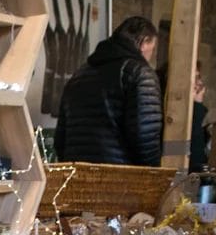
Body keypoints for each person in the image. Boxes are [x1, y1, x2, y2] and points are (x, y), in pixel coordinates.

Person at [53, 16, 163, 166]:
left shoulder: (79, 74)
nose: (150, 55)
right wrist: (153, 178)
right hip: (120, 179)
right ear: (144, 42)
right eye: (152, 48)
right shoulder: (140, 73)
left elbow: (61, 139)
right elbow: (145, 139)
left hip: (77, 177)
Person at [158, 61, 210, 171]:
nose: (199, 84)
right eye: (195, 78)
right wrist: (196, 107)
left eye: (199, 78)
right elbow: (196, 160)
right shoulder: (170, 121)